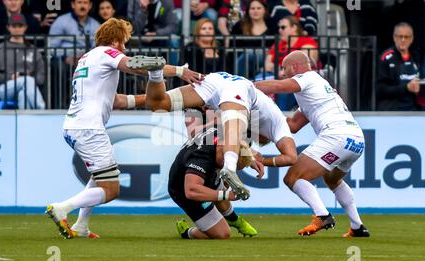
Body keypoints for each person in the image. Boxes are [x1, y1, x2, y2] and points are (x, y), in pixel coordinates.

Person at [45, 18, 203, 239]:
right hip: (88, 129)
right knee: (111, 190)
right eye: (125, 42)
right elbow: (135, 65)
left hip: (75, 127)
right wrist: (179, 71)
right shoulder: (105, 53)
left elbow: (117, 100)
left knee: (99, 175)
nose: (126, 47)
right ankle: (62, 208)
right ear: (116, 41)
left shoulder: (86, 58)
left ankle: (81, 225)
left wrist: (153, 99)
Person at [123, 66, 298, 200]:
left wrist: (251, 156)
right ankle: (229, 169)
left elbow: (216, 127)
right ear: (265, 136)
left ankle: (150, 79)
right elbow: (291, 157)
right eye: (257, 139)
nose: (252, 138)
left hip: (216, 80)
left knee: (159, 104)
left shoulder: (250, 121)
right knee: (233, 125)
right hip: (239, 86)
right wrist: (261, 159)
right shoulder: (279, 124)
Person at [255, 51, 370, 238]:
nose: (283, 73)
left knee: (293, 178)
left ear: (294, 67)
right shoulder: (315, 91)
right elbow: (292, 126)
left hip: (336, 136)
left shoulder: (307, 77)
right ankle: (358, 226)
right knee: (332, 179)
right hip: (356, 139)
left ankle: (322, 215)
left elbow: (279, 86)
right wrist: (266, 122)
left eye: (284, 69)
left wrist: (246, 87)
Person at [170, 127, 259, 239]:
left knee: (223, 183)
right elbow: (191, 190)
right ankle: (187, 232)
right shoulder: (201, 157)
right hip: (182, 189)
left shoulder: (227, 136)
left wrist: (250, 160)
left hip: (204, 174)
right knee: (222, 234)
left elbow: (242, 142)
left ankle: (233, 220)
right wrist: (227, 195)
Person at [258, 16, 318, 111]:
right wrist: (279, 70)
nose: (280, 30)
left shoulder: (307, 41)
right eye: (279, 28)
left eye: (283, 27)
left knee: (283, 92)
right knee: (257, 81)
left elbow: (303, 63)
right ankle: (257, 120)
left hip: (299, 80)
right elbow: (267, 65)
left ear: (294, 28)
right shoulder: (278, 44)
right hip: (277, 76)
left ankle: (280, 119)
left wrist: (284, 71)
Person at [0, 13, 46, 109]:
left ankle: (25, 121)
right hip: (5, 88)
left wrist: (30, 76)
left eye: (20, 26)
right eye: (14, 26)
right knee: (27, 81)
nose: (17, 29)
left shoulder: (33, 49)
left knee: (23, 94)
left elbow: (41, 77)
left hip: (29, 88)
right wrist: (11, 76)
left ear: (25, 27)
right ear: (8, 27)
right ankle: (41, 109)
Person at [376, 22, 421, 111]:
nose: (403, 40)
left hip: (414, 112)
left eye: (406, 37)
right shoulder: (386, 57)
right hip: (393, 112)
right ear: (394, 37)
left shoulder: (416, 56)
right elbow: (380, 89)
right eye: (400, 36)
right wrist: (406, 88)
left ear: (412, 38)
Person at [230, 0, 276, 78]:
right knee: (249, 54)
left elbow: (276, 44)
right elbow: (232, 47)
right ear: (248, 11)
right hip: (243, 61)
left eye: (258, 8)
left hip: (267, 59)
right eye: (252, 8)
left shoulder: (272, 24)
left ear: (264, 10)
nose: (255, 11)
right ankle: (240, 80)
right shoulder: (239, 26)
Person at [49, 0, 101, 65]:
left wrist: (88, 57)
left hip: (87, 62)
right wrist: (65, 58)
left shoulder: (95, 25)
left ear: (90, 6)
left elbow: (98, 48)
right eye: (79, 2)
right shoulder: (61, 21)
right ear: (73, 5)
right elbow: (52, 47)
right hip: (64, 62)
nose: (82, 6)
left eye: (85, 3)